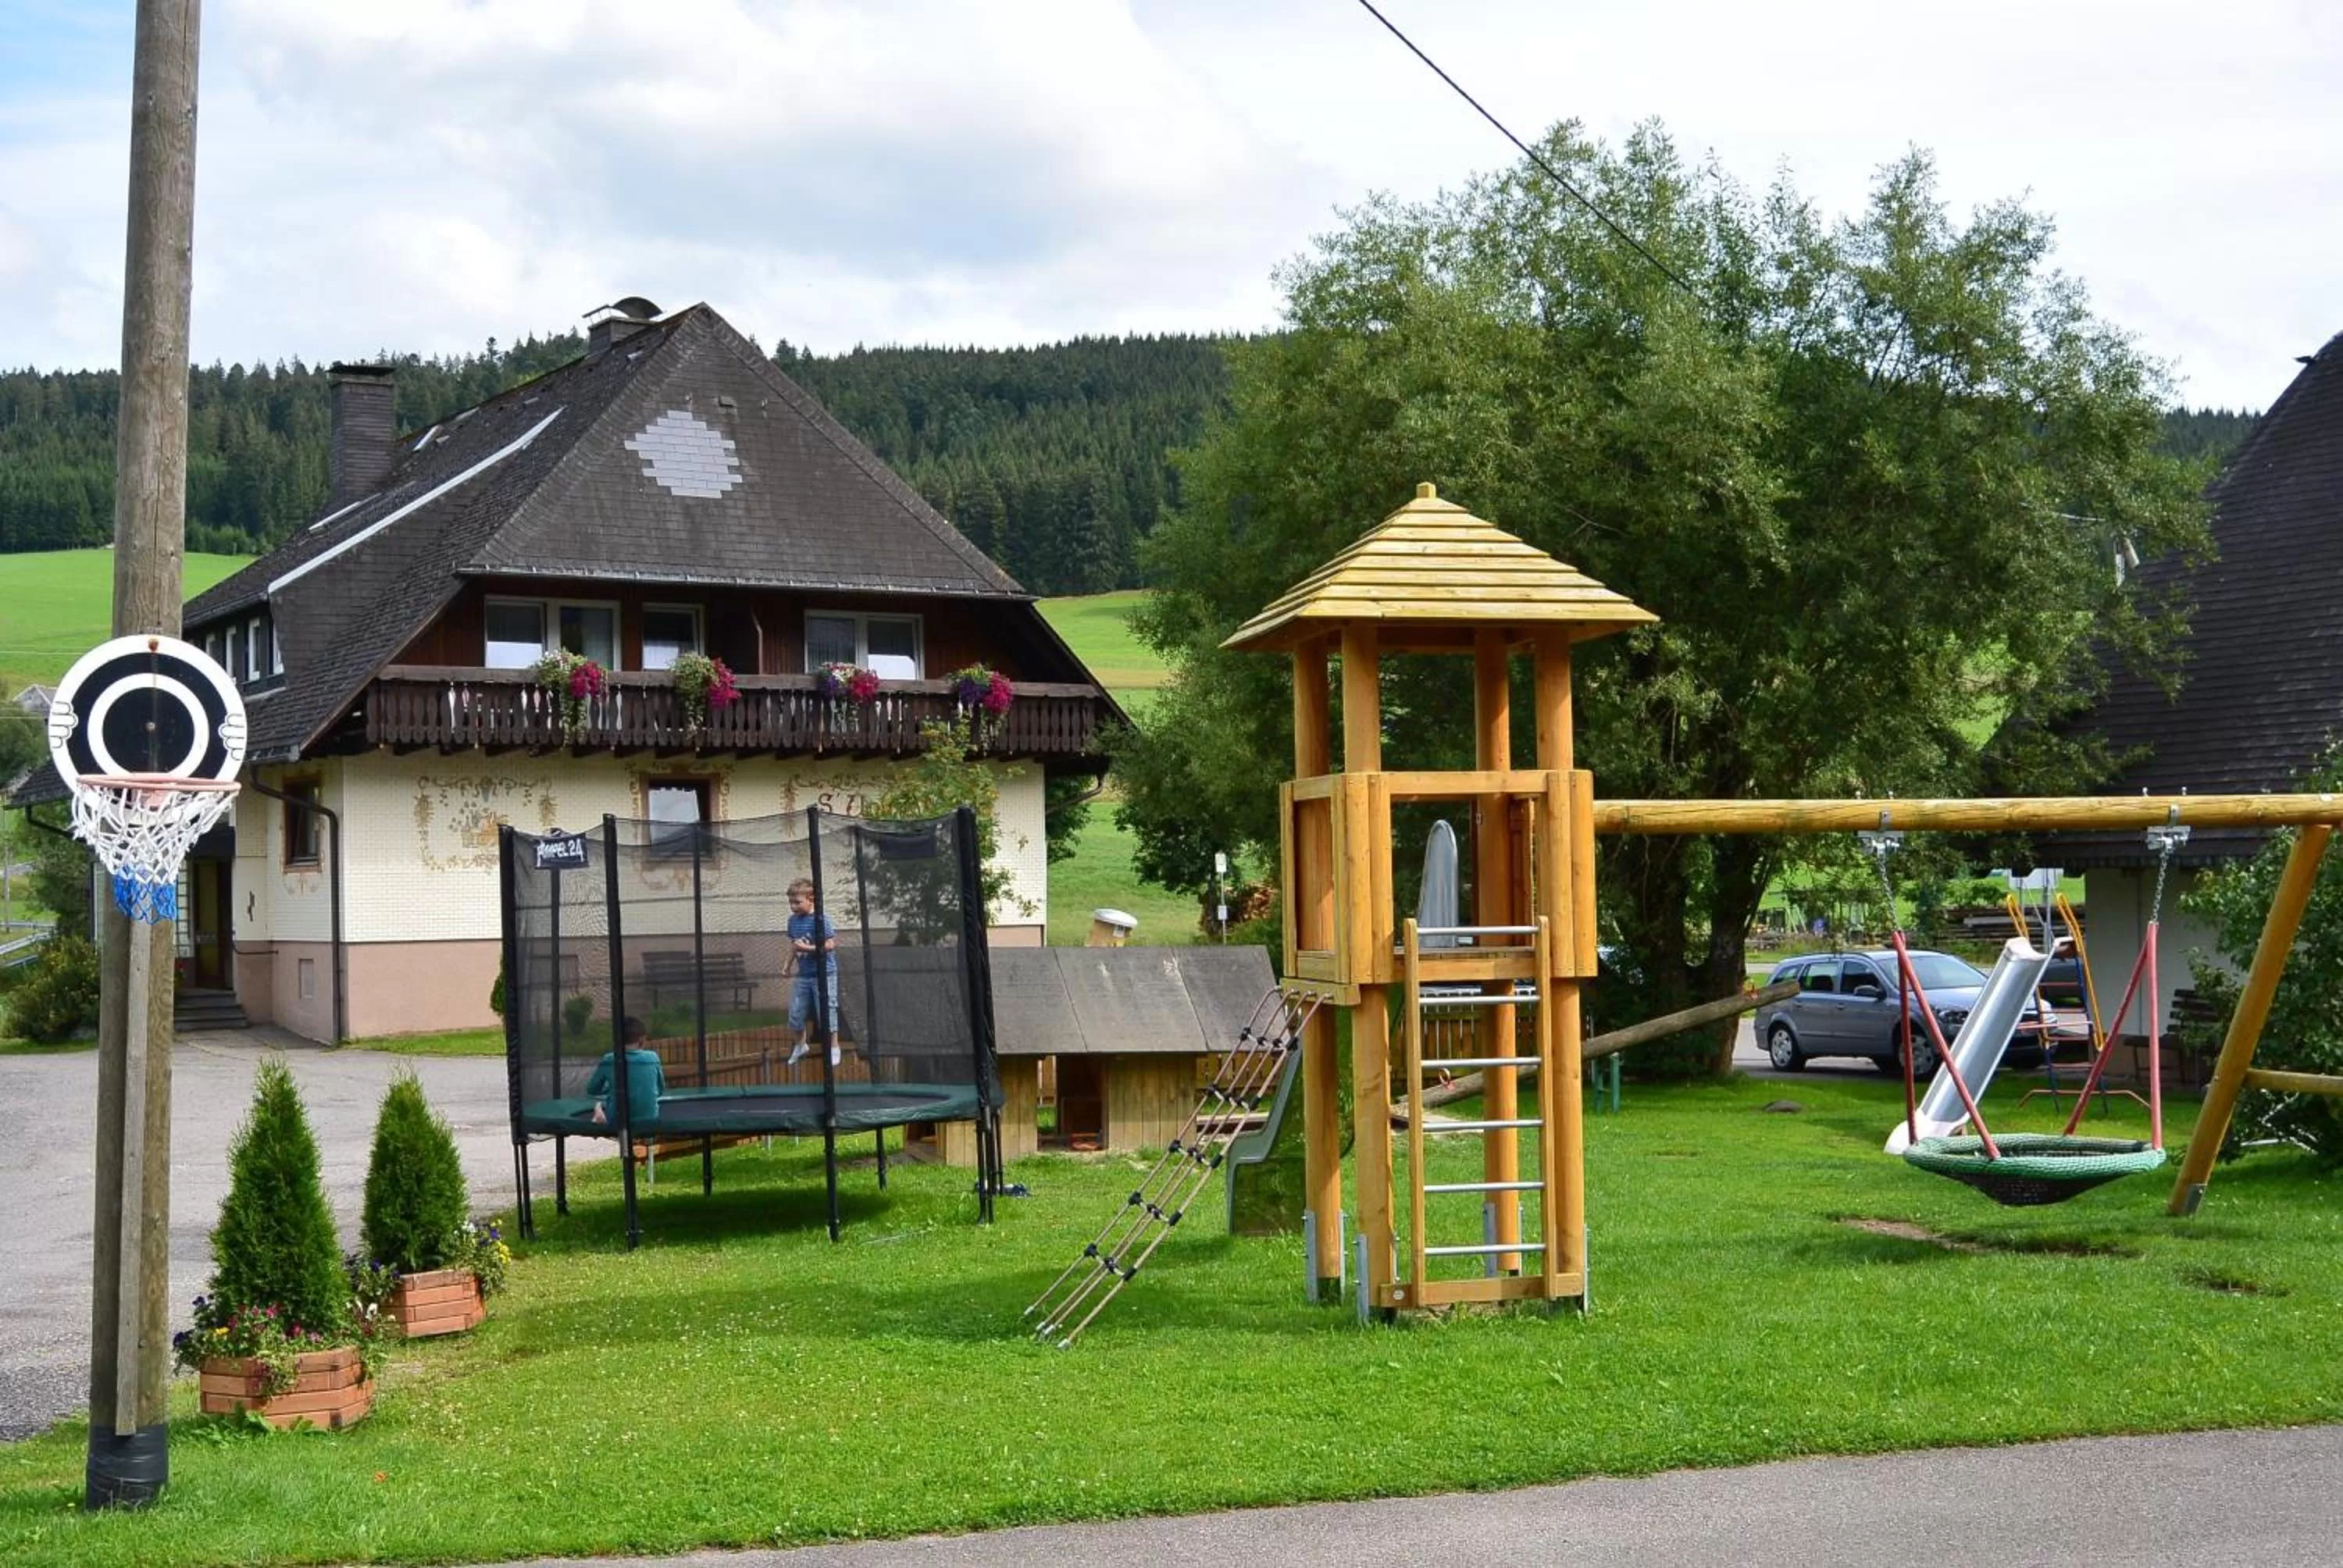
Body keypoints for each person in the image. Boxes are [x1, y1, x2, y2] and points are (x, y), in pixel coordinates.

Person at [785, 877, 839, 1067]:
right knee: (795, 1013)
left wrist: (808, 949)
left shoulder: (821, 919)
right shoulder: (792, 922)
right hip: (804, 975)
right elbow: (794, 946)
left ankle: (833, 1046)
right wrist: (787, 965)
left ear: (811, 899)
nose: (794, 907)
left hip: (824, 975)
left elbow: (831, 945)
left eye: (798, 902)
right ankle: (801, 1044)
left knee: (826, 1011)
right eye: (791, 903)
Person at [585, 1016, 666, 1128]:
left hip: (618, 1121)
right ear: (642, 1040)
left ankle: (600, 1114)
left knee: (599, 1104)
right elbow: (661, 1089)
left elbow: (592, 1089)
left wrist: (614, 1088)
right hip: (650, 1119)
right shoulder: (653, 1057)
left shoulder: (610, 1059)